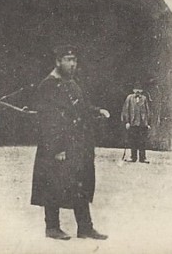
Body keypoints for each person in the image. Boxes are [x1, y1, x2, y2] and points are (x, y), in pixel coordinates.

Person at [30, 44, 110, 241]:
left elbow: (81, 108)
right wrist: (56, 149)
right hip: (57, 146)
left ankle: (85, 228)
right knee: (53, 184)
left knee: (79, 185)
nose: (73, 64)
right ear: (58, 61)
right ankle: (52, 227)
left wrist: (97, 111)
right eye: (68, 60)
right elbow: (47, 120)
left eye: (74, 60)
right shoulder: (48, 85)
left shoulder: (72, 83)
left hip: (76, 145)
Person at [121, 81, 152, 163]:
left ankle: (142, 158)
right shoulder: (129, 98)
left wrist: (148, 123)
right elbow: (126, 110)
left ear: (142, 91)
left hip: (142, 124)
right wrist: (127, 122)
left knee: (142, 141)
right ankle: (133, 157)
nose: (137, 91)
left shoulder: (144, 98)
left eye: (139, 89)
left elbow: (147, 111)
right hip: (132, 123)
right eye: (136, 89)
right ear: (133, 90)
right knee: (133, 141)